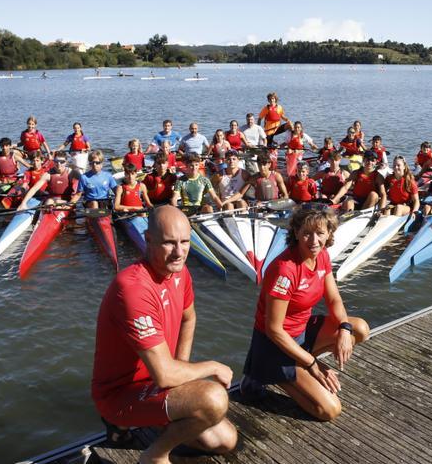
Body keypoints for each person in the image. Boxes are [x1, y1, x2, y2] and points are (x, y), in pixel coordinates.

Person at [92, 205, 237, 462]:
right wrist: (212, 366)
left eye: (185, 242)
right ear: (148, 239)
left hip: (157, 384)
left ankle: (158, 420)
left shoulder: (180, 273)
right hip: (119, 395)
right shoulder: (133, 288)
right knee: (214, 398)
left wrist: (181, 368)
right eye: (169, 243)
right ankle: (155, 455)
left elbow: (188, 317)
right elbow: (165, 374)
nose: (179, 252)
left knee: (226, 440)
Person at [240, 207, 370, 420]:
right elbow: (273, 330)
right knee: (329, 410)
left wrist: (344, 330)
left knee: (359, 329)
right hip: (275, 346)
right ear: (296, 232)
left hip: (301, 332)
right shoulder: (285, 270)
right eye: (307, 233)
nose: (314, 240)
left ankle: (297, 366)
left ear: (329, 234)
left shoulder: (322, 255)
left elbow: (334, 299)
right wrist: (312, 365)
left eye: (320, 233)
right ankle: (264, 373)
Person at [225, 157, 289, 206]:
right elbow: (241, 193)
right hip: (260, 205)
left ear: (269, 164)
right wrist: (226, 201)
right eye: (259, 165)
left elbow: (285, 195)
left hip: (275, 204)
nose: (261, 167)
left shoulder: (277, 176)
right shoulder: (254, 178)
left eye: (264, 165)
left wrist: (280, 203)